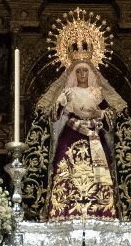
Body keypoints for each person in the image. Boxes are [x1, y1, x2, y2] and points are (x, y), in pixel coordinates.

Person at [43, 62, 120, 221]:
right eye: (79, 71)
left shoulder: (98, 94)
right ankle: (63, 212)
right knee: (65, 169)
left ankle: (100, 212)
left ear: (91, 73)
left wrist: (99, 114)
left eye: (85, 70)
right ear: (74, 74)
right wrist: (61, 103)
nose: (82, 74)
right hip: (71, 135)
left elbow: (110, 120)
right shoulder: (68, 92)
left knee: (98, 173)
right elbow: (53, 116)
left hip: (94, 137)